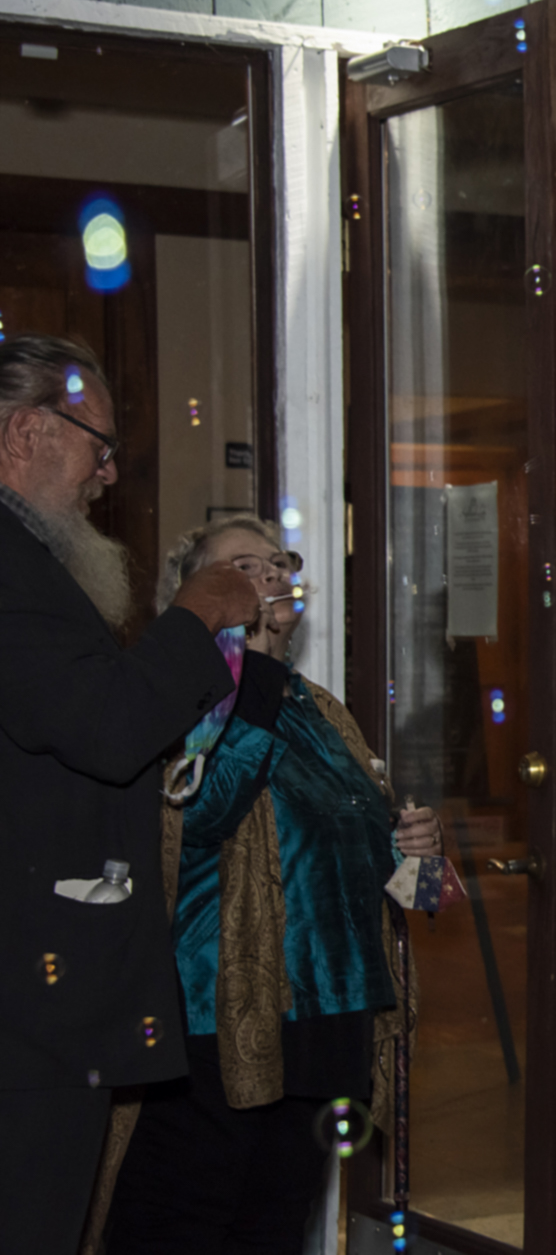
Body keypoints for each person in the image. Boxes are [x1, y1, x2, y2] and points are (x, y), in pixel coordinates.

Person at [98, 515, 438, 1251]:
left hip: (327, 1018)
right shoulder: (177, 695)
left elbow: (364, 857)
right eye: (241, 566)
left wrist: (416, 851)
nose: (270, 577)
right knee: (180, 1223)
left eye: (277, 563)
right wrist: (240, 669)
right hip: (217, 1020)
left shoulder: (320, 708)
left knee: (274, 1228)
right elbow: (199, 811)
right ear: (193, 592)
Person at [0, 334, 258, 1255]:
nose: (108, 473)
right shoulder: (10, 567)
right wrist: (195, 613)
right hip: (26, 1014)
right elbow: (106, 728)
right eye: (96, 442)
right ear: (26, 431)